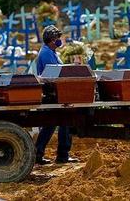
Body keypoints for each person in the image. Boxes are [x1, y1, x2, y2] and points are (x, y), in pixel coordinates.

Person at [35, 25, 79, 165]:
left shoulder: (51, 52)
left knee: (51, 124)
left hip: (55, 92)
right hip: (53, 92)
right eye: (57, 38)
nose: (59, 40)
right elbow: (55, 73)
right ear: (52, 39)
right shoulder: (47, 53)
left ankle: (39, 154)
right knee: (64, 122)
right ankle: (62, 155)